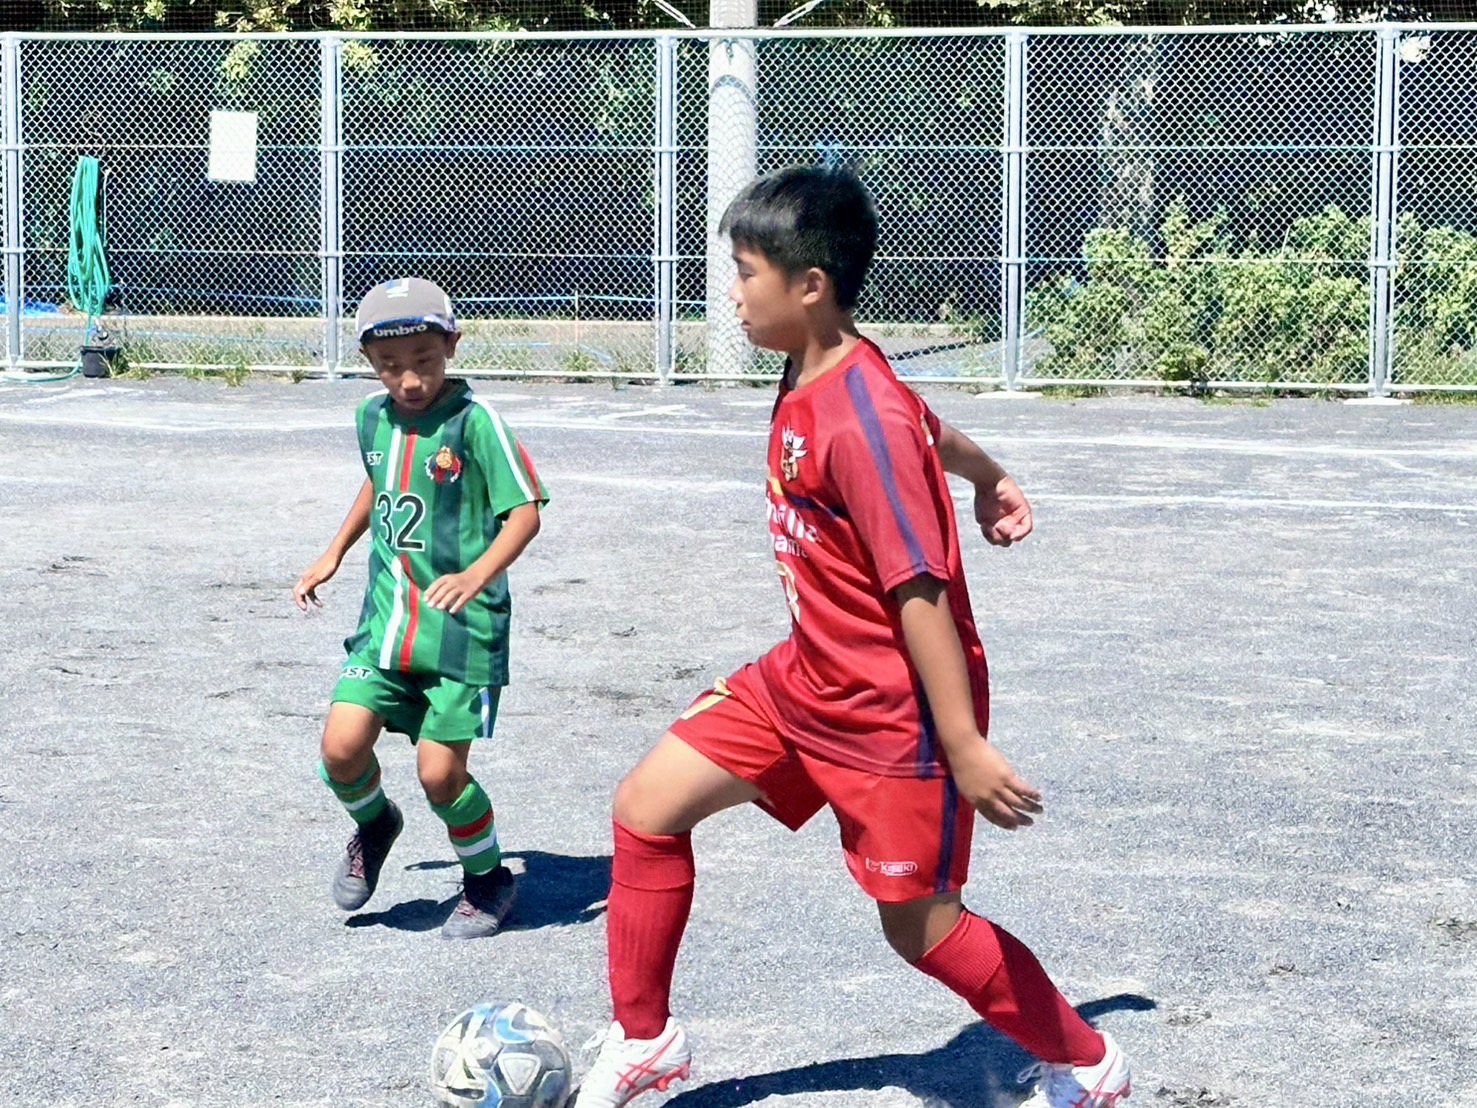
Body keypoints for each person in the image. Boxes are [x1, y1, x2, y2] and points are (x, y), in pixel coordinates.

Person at [574, 169, 1132, 1107]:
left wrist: (962, 745)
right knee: (646, 808)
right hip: (803, 680)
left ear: (810, 285)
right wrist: (988, 474)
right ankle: (645, 1042)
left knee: (920, 930)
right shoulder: (822, 368)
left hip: (890, 714)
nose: (731, 292)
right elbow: (929, 423)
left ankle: (1087, 1062)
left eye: (744, 272)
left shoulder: (860, 417)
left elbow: (921, 592)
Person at [293, 277, 548, 940]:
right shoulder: (370, 418)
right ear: (368, 361)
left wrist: (476, 572)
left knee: (441, 776)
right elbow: (379, 481)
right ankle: (376, 823)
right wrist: (334, 551)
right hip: (387, 625)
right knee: (340, 750)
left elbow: (525, 512)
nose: (408, 379)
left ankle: (488, 878)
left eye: (424, 360)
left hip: (463, 634)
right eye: (389, 365)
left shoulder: (475, 423)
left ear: (452, 346)